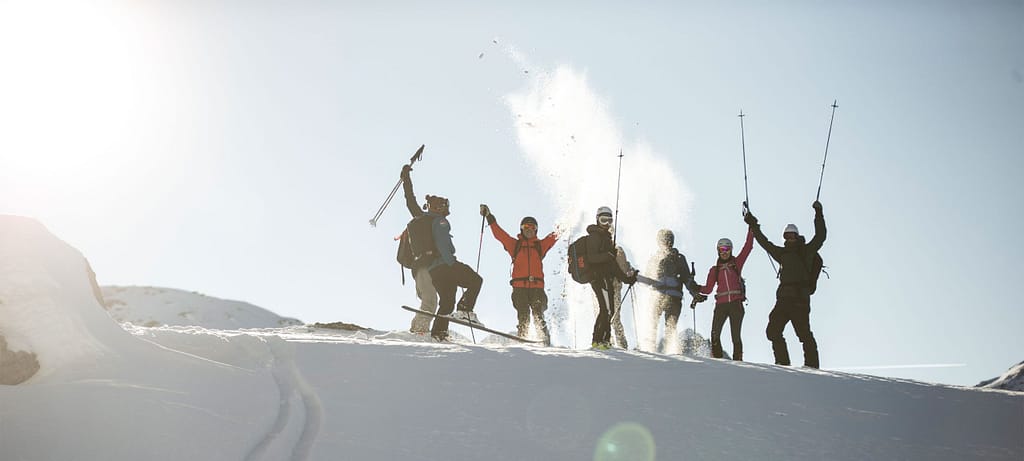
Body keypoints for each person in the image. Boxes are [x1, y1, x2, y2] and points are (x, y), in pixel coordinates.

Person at [402, 166, 485, 342]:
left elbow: (410, 199)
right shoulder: (439, 221)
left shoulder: (421, 218)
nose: (440, 208)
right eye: (439, 205)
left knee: (447, 301)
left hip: (432, 269)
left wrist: (405, 178)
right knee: (475, 281)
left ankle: (439, 333)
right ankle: (463, 311)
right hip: (441, 265)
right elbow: (443, 244)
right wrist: (451, 263)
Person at [744, 201, 826, 368]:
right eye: (786, 236)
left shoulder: (807, 251)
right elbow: (764, 243)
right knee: (773, 331)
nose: (789, 238)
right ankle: (782, 363)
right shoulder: (781, 254)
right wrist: (753, 225)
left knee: (803, 334)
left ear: (796, 236)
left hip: (800, 300)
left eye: (791, 236)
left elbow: (820, 236)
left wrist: (818, 213)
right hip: (783, 300)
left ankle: (812, 366)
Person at [479, 205, 558, 345]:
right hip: (519, 288)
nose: (529, 229)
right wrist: (489, 217)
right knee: (523, 315)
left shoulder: (540, 246)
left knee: (538, 315)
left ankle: (545, 342)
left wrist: (565, 224)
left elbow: (554, 237)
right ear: (521, 228)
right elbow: (500, 235)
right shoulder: (515, 245)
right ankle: (523, 340)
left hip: (536, 288)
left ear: (536, 230)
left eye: (533, 227)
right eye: (526, 226)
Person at [697, 228, 754, 361]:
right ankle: (717, 361)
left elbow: (748, 247)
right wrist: (696, 287)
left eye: (727, 249)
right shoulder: (714, 270)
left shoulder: (737, 264)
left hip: (736, 304)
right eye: (722, 249)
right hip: (721, 305)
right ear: (718, 250)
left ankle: (738, 361)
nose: (724, 252)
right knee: (715, 334)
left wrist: (752, 228)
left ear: (731, 250)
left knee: (735, 335)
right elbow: (708, 289)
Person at [644, 229, 704, 354]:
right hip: (668, 296)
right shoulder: (675, 258)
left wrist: (695, 293)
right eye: (664, 240)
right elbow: (687, 279)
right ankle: (656, 350)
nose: (666, 243)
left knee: (660, 324)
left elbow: (687, 279)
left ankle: (663, 351)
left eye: (667, 240)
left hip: (666, 296)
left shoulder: (676, 258)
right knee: (663, 324)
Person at [585, 206, 637, 349]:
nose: (606, 224)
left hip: (607, 279)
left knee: (609, 310)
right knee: (606, 310)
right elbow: (592, 258)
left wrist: (628, 279)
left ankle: (603, 340)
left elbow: (613, 267)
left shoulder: (608, 241)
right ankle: (600, 341)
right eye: (603, 220)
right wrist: (608, 255)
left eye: (609, 221)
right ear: (597, 220)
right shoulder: (594, 237)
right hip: (598, 278)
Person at [400, 165, 438, 334]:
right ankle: (419, 332)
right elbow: (410, 199)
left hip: (432, 268)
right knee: (430, 300)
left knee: (429, 301)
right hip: (422, 265)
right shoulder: (422, 219)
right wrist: (406, 178)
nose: (437, 209)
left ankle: (416, 330)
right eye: (434, 206)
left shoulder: (440, 226)